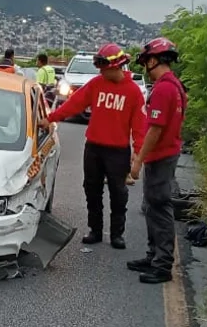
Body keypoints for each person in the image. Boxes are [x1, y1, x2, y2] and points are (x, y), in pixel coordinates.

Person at [39, 43, 145, 249]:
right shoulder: (96, 84)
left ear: (116, 66)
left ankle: (117, 234)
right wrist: (51, 118)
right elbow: (74, 103)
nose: (102, 72)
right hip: (94, 148)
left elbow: (140, 126)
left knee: (118, 193)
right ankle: (95, 230)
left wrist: (138, 153)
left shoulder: (133, 92)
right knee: (92, 189)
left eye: (105, 68)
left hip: (118, 151)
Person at [126, 37, 187, 284]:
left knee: (159, 209)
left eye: (145, 63)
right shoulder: (176, 86)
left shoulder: (163, 89)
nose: (144, 69)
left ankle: (162, 265)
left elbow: (155, 130)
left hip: (161, 157)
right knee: (152, 207)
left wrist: (138, 160)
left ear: (153, 60)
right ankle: (153, 256)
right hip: (166, 154)